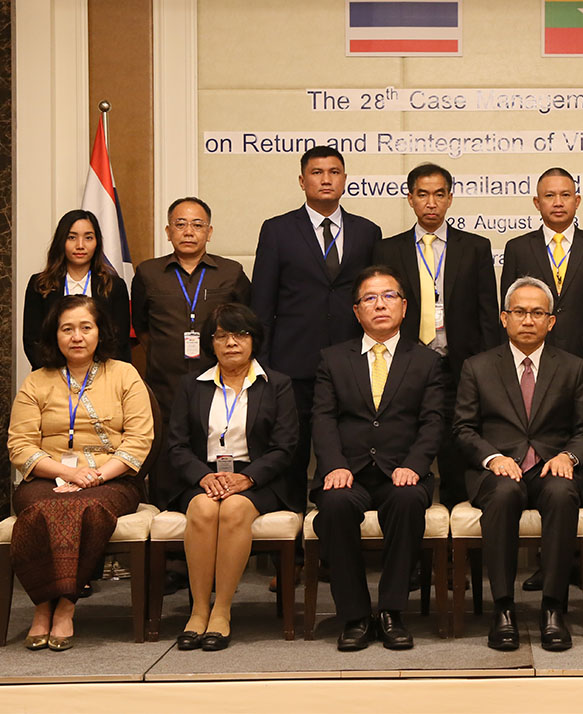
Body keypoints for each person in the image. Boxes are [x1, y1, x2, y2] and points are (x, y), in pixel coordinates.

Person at [453, 276, 583, 652]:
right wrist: (493, 458)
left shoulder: (573, 367)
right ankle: (503, 608)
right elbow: (463, 429)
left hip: (551, 468)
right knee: (504, 494)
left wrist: (568, 456)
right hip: (499, 470)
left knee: (563, 493)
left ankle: (553, 608)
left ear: (551, 321)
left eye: (537, 313)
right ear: (504, 318)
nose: (528, 320)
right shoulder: (477, 367)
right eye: (519, 312)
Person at [310, 266, 445, 652]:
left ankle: (391, 612)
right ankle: (354, 615)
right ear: (356, 312)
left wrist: (414, 466)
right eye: (369, 298)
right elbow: (323, 418)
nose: (380, 305)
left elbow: (434, 422)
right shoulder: (333, 359)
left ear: (404, 306)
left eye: (388, 296)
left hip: (401, 472)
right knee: (335, 506)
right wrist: (335, 465)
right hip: (348, 472)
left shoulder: (427, 361)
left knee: (407, 501)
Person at [7, 295, 153, 651]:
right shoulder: (36, 381)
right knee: (41, 508)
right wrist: (67, 474)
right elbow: (20, 445)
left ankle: (64, 605)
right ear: (54, 334)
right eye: (67, 329)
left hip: (111, 479)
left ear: (100, 332)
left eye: (86, 327)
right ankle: (43, 604)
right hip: (47, 477)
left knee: (86, 507)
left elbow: (138, 441)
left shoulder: (124, 374)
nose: (77, 337)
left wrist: (97, 476)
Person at [501, 167, 583, 591]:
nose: (557, 202)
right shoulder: (519, 247)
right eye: (549, 195)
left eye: (565, 195)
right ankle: (545, 562)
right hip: (534, 366)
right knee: (538, 453)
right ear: (536, 202)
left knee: (581, 457)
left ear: (577, 200)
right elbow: (508, 312)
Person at [251, 146, 381, 507]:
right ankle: (291, 519)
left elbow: (375, 298)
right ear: (302, 180)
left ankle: (340, 517)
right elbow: (262, 302)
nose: (326, 179)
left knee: (349, 443)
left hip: (352, 360)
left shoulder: (367, 231)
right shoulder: (277, 230)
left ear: (345, 179)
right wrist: (263, 363)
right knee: (292, 447)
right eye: (317, 172)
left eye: (334, 172)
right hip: (292, 362)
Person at [166, 303, 299, 652]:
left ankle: (222, 610)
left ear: (254, 339)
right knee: (203, 509)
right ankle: (198, 610)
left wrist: (248, 479)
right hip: (203, 476)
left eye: (240, 334)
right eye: (221, 336)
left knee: (235, 509)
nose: (231, 343)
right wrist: (202, 477)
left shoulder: (277, 384)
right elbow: (177, 445)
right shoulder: (191, 385)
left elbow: (285, 447)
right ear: (211, 343)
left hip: (259, 479)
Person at [373, 162, 499, 509]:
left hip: (460, 367)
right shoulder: (388, 250)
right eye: (423, 194)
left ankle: (459, 529)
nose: (431, 202)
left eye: (439, 194)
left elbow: (487, 314)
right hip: (406, 365)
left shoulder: (475, 247)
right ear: (410, 198)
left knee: (458, 450)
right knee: (406, 450)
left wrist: (489, 370)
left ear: (450, 198)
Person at [131, 196, 251, 510]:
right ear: (168, 231)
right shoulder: (148, 273)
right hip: (166, 386)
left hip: (218, 386)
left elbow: (247, 324)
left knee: (213, 451)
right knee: (167, 460)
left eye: (197, 225)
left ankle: (215, 514)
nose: (188, 231)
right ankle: (166, 526)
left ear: (209, 232)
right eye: (180, 224)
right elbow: (141, 328)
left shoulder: (231, 272)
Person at [23, 209, 131, 369]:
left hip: (103, 375)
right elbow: (32, 340)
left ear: (97, 242)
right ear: (61, 241)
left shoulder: (113, 285)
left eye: (88, 238)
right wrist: (58, 374)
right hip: (51, 373)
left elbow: (120, 342)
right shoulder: (40, 284)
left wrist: (96, 376)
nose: (80, 245)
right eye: (72, 237)